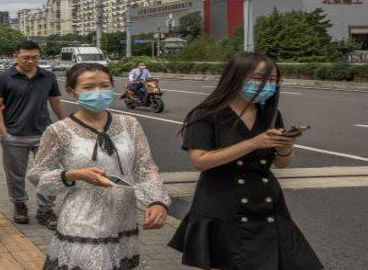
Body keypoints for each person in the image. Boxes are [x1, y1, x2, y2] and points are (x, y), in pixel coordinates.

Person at [168, 51, 322, 270]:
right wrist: (254, 143)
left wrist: (285, 147)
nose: (266, 85)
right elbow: (200, 161)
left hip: (268, 204)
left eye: (272, 80)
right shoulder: (206, 114)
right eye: (259, 78)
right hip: (223, 205)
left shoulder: (270, 113)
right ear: (236, 77)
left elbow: (281, 164)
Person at [29, 63, 170, 270]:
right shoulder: (58, 131)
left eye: (104, 85)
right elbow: (37, 176)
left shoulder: (130, 124)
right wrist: (74, 174)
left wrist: (157, 202)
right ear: (71, 91)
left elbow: (145, 168)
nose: (98, 92)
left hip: (123, 220)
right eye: (88, 87)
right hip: (81, 221)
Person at [0, 40, 66, 229]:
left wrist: (65, 124)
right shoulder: (4, 77)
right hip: (15, 135)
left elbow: (55, 101)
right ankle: (19, 204)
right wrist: (3, 132)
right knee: (15, 174)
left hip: (44, 134)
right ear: (16, 56)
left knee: (48, 174)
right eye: (26, 57)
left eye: (35, 57)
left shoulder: (47, 76)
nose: (30, 61)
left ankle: (45, 209)